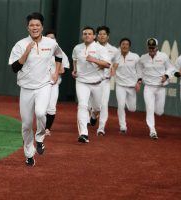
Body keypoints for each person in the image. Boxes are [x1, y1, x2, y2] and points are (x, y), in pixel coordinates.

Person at [8, 12, 63, 166]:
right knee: (26, 125)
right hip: (26, 88)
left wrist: (56, 71)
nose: (34, 27)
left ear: (42, 27)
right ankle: (29, 154)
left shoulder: (50, 43)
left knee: (40, 112)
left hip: (44, 85)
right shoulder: (20, 44)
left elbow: (59, 56)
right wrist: (26, 52)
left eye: (37, 25)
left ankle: (39, 138)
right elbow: (14, 68)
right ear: (27, 27)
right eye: (32, 25)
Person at [72, 26, 111, 143]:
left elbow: (108, 64)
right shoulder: (77, 48)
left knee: (98, 107)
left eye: (89, 34)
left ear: (94, 36)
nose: (87, 35)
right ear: (82, 36)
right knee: (83, 105)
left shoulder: (100, 48)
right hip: (82, 81)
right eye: (84, 34)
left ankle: (94, 115)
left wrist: (94, 60)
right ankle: (83, 133)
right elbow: (75, 59)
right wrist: (74, 70)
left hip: (97, 83)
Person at [136, 38, 175, 139]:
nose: (152, 49)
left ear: (157, 47)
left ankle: (155, 122)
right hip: (148, 87)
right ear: (147, 47)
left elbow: (171, 68)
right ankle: (152, 130)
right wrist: (139, 79)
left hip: (160, 87)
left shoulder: (164, 56)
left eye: (153, 47)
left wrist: (166, 76)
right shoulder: (143, 58)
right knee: (150, 108)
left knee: (159, 111)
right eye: (150, 47)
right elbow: (139, 68)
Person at [89, 26, 118, 136]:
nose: (102, 36)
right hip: (92, 80)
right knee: (93, 105)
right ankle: (93, 115)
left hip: (105, 81)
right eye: (100, 34)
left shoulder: (114, 50)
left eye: (104, 34)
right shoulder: (91, 47)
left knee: (104, 105)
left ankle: (101, 128)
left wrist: (113, 69)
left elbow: (116, 61)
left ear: (108, 36)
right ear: (96, 36)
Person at [45, 30, 70, 136]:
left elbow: (63, 70)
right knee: (40, 109)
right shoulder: (39, 50)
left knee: (51, 107)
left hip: (54, 84)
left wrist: (53, 71)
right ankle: (41, 126)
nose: (51, 39)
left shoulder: (60, 52)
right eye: (48, 37)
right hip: (40, 84)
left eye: (53, 38)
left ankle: (47, 129)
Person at [112, 38, 140, 133]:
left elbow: (140, 71)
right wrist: (113, 68)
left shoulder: (135, 57)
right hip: (120, 85)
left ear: (129, 46)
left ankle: (128, 103)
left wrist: (138, 82)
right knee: (120, 105)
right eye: (123, 44)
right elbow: (111, 70)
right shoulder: (115, 57)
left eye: (127, 44)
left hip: (132, 86)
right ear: (120, 46)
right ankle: (123, 127)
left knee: (132, 109)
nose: (124, 46)